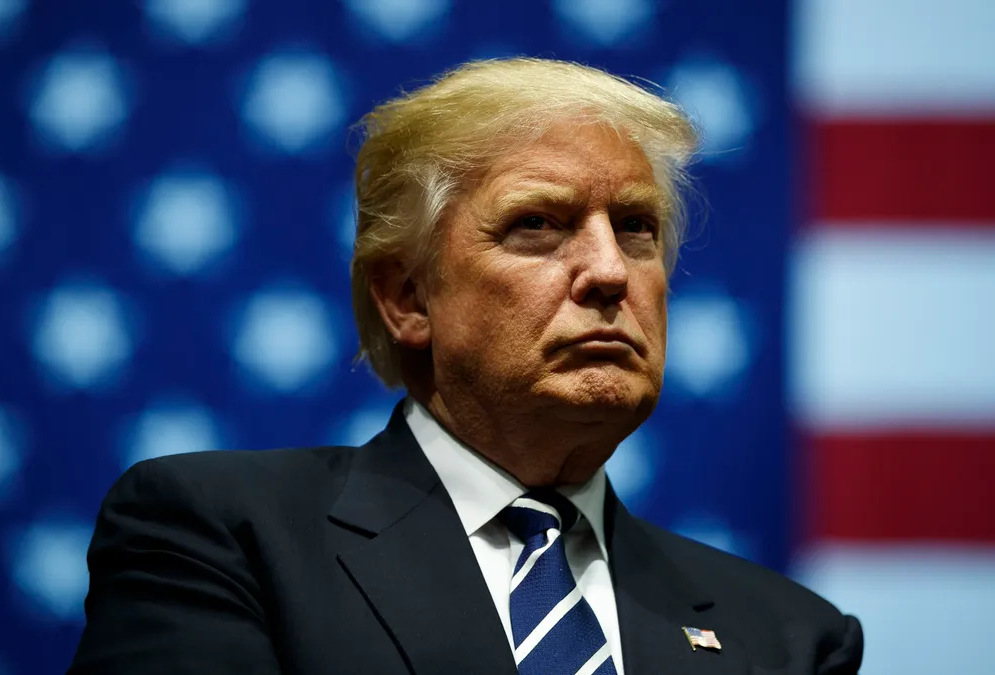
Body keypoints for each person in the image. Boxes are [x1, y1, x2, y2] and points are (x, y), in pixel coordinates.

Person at [67, 57, 863, 675]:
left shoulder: (788, 638)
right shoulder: (222, 537)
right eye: (538, 224)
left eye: (635, 228)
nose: (610, 271)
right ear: (409, 298)